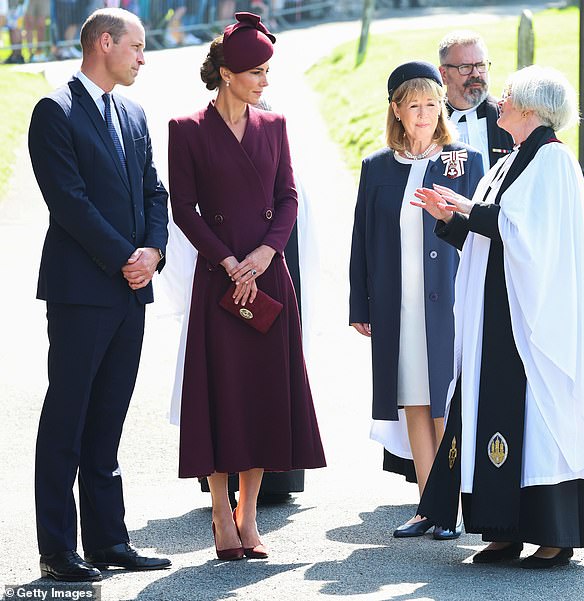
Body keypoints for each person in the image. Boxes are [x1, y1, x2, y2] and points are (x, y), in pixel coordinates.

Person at [413, 65, 584, 569]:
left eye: (508, 97)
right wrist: (452, 220)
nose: (499, 102)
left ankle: (553, 533)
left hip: (529, 319)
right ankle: (502, 529)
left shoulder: (552, 162)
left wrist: (468, 210)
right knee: (491, 412)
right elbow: (492, 238)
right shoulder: (509, 162)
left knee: (535, 419)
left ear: (530, 108)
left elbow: (529, 236)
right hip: (497, 312)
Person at [168, 12, 326, 561]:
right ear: (229, 73)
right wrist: (230, 260)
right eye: (257, 71)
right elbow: (182, 209)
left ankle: (249, 517)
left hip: (267, 280)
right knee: (221, 398)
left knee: (261, 397)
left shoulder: (275, 126)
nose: (264, 81)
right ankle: (219, 514)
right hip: (219, 282)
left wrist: (262, 255)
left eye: (266, 71)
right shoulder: (185, 129)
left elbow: (288, 197)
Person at [28, 7, 171, 582]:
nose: (143, 56)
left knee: (108, 420)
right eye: (137, 46)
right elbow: (69, 202)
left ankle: (109, 541)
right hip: (82, 291)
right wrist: (124, 258)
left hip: (131, 291)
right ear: (105, 43)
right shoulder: (54, 111)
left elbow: (154, 192)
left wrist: (152, 254)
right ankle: (58, 550)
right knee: (68, 418)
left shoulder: (133, 113)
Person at [348, 61, 483, 541]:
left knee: (446, 399)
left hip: (448, 302)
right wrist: (359, 306)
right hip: (396, 305)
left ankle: (454, 506)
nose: (424, 113)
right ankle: (428, 505)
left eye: (431, 104)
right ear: (397, 111)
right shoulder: (377, 168)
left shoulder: (464, 162)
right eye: (414, 105)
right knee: (415, 402)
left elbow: (479, 234)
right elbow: (362, 239)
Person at [438, 30, 514, 171]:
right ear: (444, 75)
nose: (476, 73)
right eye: (465, 67)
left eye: (481, 65)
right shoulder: (431, 121)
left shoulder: (511, 118)